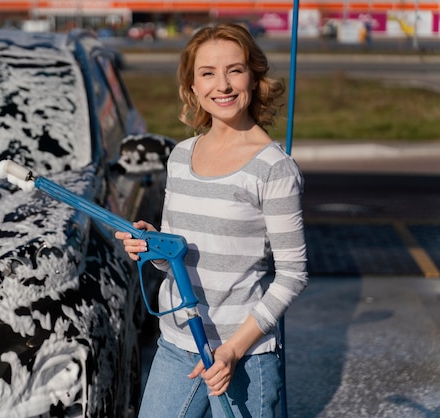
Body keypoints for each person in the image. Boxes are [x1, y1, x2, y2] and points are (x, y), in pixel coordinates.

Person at [115, 23, 308, 417]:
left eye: (234, 70)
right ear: (191, 88)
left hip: (243, 356)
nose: (223, 84)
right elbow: (175, 254)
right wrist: (151, 244)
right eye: (208, 73)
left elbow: (293, 273)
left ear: (254, 78)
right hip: (176, 343)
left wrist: (234, 350)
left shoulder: (273, 168)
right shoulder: (181, 156)